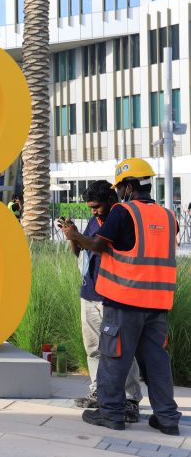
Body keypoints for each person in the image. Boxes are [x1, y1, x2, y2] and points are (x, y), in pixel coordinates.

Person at [62, 158, 182, 435]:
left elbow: (96, 245)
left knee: (113, 357)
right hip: (158, 304)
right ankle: (167, 418)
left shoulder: (123, 212)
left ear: (128, 187)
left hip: (124, 300)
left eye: (121, 188)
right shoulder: (169, 216)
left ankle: (111, 413)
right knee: (157, 362)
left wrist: (74, 235)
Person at [59, 180, 142, 422]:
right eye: (90, 207)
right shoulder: (96, 219)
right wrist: (72, 236)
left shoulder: (119, 218)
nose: (93, 211)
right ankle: (98, 391)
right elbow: (83, 252)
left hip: (113, 296)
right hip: (90, 292)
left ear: (110, 200)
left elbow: (99, 246)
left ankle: (130, 398)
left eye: (96, 206)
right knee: (94, 347)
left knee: (120, 349)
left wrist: (78, 236)